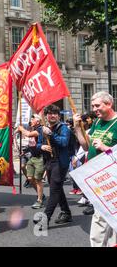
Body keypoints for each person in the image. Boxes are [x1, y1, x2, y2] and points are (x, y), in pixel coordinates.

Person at [73, 91, 117, 247]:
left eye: (97, 105)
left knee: (101, 217)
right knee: (107, 217)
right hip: (97, 178)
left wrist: (106, 148)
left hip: (111, 178)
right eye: (93, 106)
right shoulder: (97, 122)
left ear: (109, 104)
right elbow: (86, 146)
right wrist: (78, 128)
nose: (94, 109)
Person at [33, 105, 72, 229]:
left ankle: (45, 219)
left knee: (54, 190)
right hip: (48, 162)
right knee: (57, 188)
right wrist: (41, 147)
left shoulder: (63, 128)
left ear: (59, 116)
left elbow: (64, 142)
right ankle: (66, 213)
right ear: (46, 116)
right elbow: (37, 144)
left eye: (55, 113)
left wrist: (51, 134)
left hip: (60, 163)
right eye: (50, 113)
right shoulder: (42, 129)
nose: (52, 115)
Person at [18, 114, 46, 209]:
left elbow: (28, 134)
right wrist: (25, 152)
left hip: (39, 158)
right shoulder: (33, 129)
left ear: (38, 121)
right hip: (32, 157)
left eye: (33, 119)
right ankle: (40, 194)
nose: (31, 120)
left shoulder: (40, 129)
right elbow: (32, 144)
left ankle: (40, 200)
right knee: (30, 178)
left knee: (38, 180)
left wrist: (21, 129)